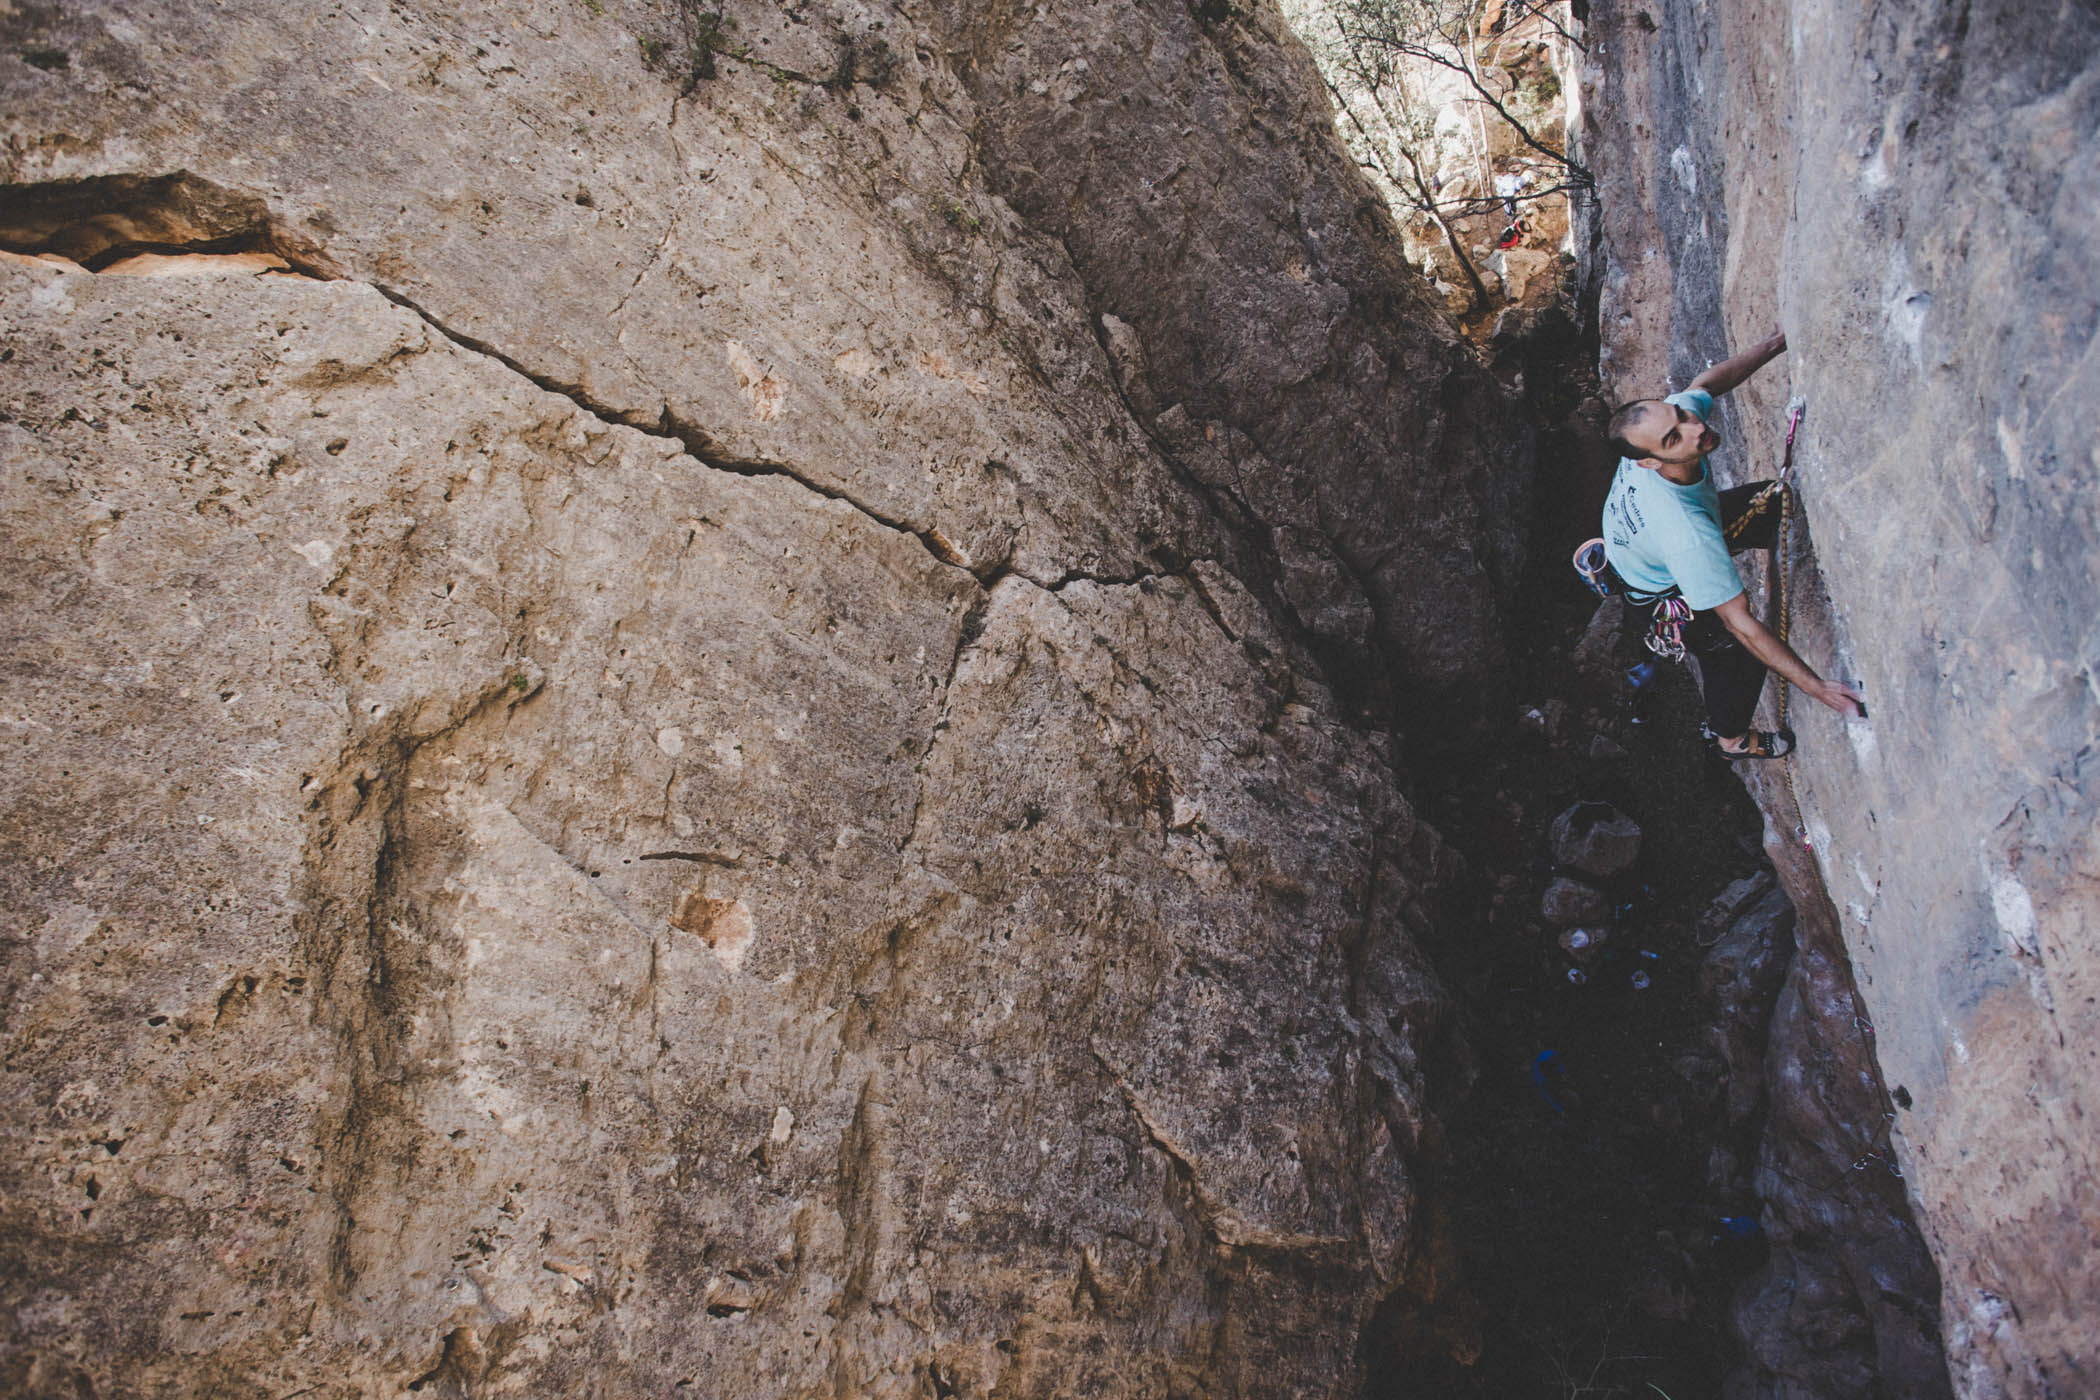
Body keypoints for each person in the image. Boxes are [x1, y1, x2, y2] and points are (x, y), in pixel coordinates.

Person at [1600, 330, 1864, 758]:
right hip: (1661, 588)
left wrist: (1776, 343)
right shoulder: (1688, 536)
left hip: (1642, 548)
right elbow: (1741, 623)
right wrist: (1818, 687)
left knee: (1771, 502)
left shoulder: (1669, 429)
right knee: (1735, 651)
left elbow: (1705, 384)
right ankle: (1729, 738)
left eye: (1680, 417)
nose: (1695, 428)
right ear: (1648, 462)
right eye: (1674, 438)